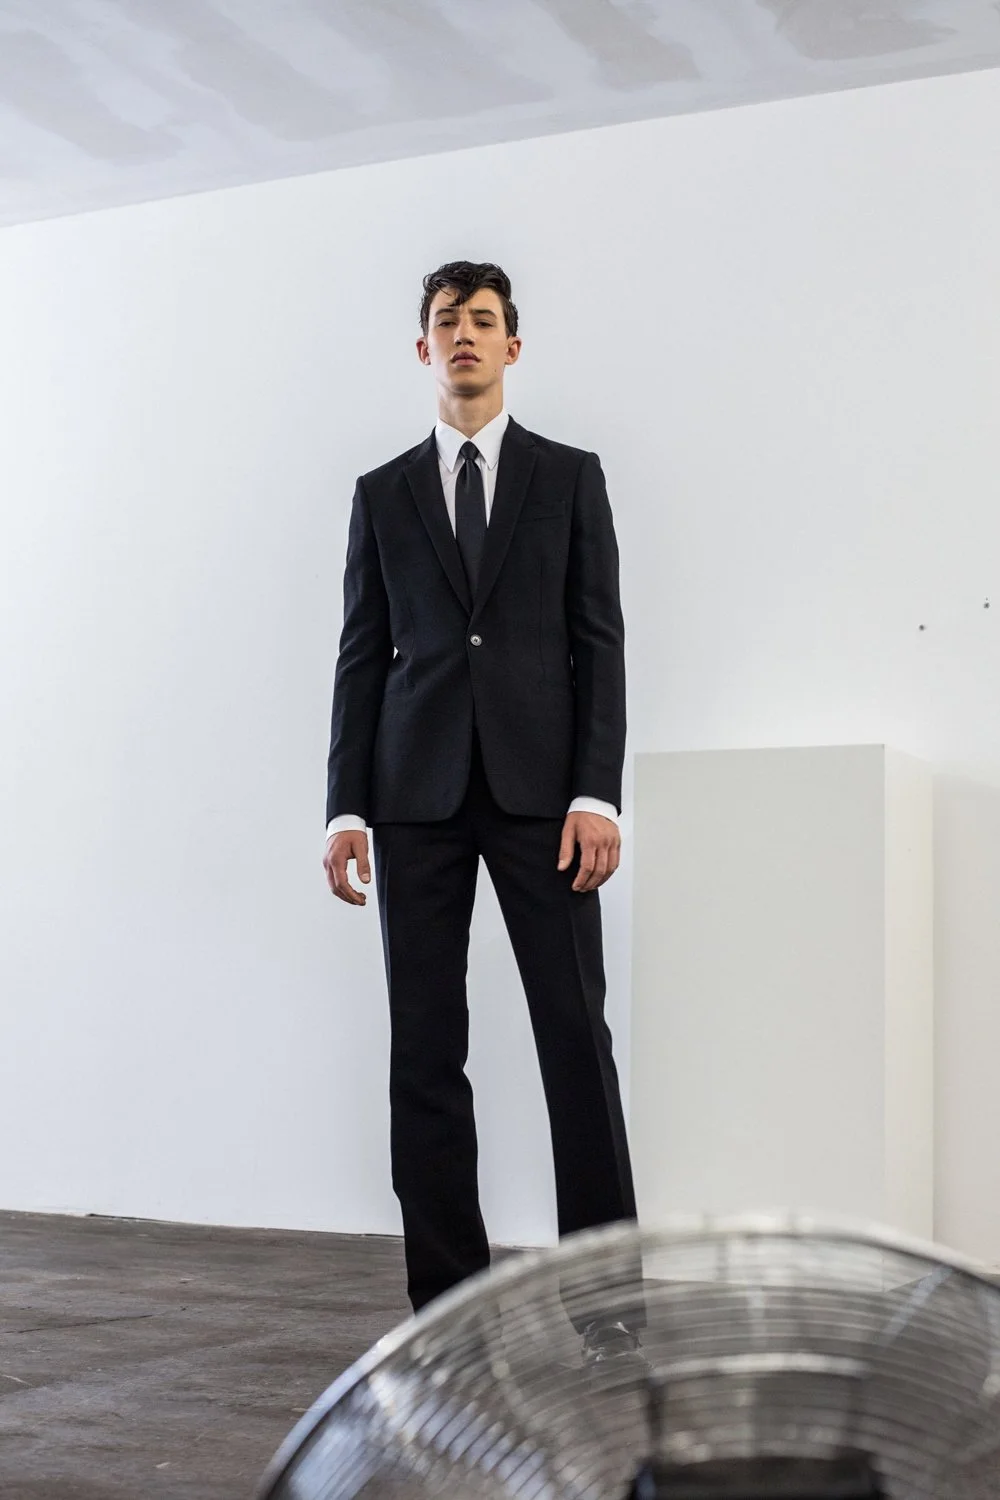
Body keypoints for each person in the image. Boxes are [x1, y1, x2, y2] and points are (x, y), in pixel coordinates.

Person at [323, 261, 639, 1361]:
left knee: (575, 1045)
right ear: (424, 349)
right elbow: (362, 656)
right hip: (410, 801)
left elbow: (595, 642)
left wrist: (596, 791)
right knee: (425, 1051)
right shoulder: (381, 492)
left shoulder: (567, 477)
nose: (464, 336)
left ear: (513, 346)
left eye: (484, 322)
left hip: (540, 800)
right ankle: (446, 1310)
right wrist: (343, 809)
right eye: (446, 322)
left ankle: (605, 1303)